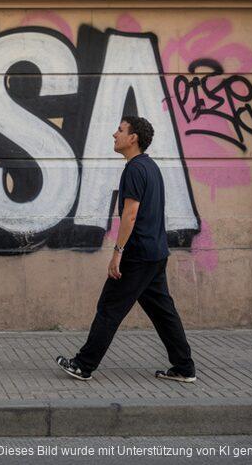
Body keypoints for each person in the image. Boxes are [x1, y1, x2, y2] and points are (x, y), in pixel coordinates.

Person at [55, 116, 196, 383]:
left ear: (133, 138)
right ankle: (184, 367)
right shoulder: (151, 167)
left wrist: (117, 252)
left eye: (120, 130)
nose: (114, 134)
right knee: (164, 313)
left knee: (109, 308)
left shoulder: (133, 170)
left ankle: (84, 365)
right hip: (156, 253)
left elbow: (130, 215)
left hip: (138, 255)